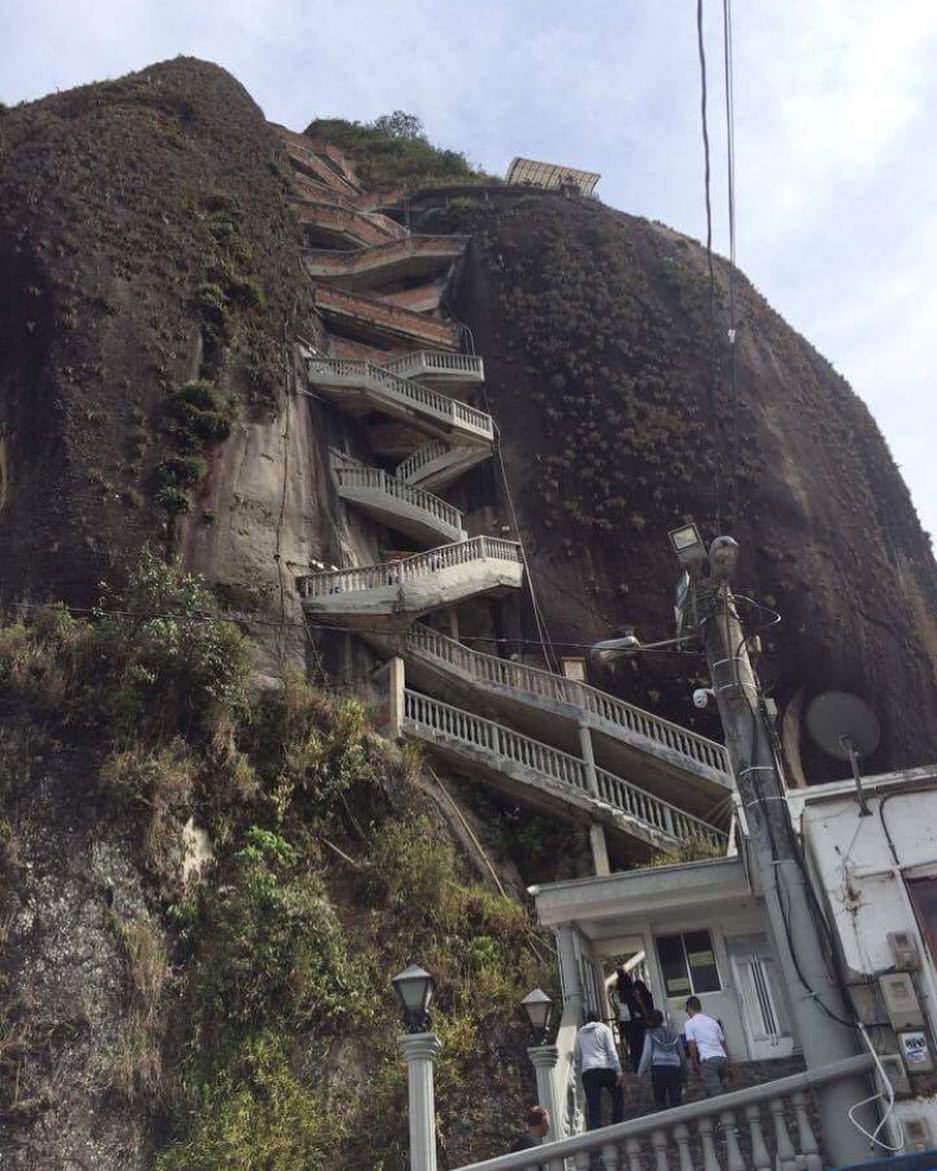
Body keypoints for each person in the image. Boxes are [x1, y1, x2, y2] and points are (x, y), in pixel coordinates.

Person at [574, 1011, 624, 1131]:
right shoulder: (604, 1029)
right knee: (618, 1097)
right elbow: (611, 1051)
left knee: (594, 1106)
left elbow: (577, 1055)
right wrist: (619, 1071)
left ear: (587, 1020)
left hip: (589, 1071)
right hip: (605, 1068)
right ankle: (616, 1124)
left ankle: (597, 1131)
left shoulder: (580, 1033)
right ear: (599, 1019)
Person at [637, 1009, 686, 1110]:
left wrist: (640, 1072)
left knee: (660, 1101)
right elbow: (681, 1053)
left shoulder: (650, 1034)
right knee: (676, 1100)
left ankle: (665, 1122)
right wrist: (684, 1071)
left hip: (658, 1069)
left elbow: (647, 1054)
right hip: (674, 1068)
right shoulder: (674, 1033)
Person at [684, 996, 731, 1097]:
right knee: (722, 1090)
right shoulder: (713, 1022)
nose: (687, 1013)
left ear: (689, 1008)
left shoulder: (689, 1024)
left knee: (716, 1095)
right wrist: (729, 1063)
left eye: (686, 1010)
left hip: (708, 1060)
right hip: (722, 1059)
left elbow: (692, 1047)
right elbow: (723, 1043)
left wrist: (696, 1066)